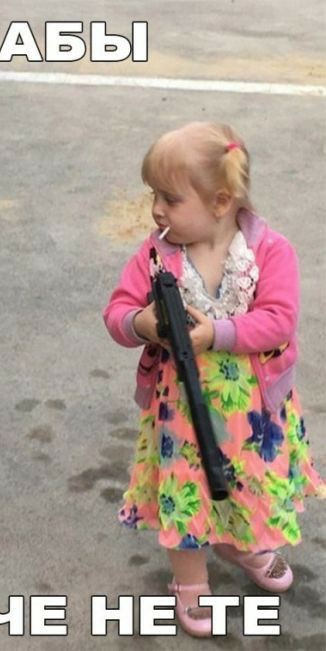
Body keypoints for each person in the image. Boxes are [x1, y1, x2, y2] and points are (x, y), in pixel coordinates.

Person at [103, 121, 324, 637]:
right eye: (154, 196)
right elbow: (117, 312)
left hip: (253, 411)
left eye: (170, 199)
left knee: (250, 482)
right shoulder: (155, 255)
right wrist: (143, 324)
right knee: (186, 491)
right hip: (180, 410)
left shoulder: (268, 251)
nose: (157, 210)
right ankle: (190, 581)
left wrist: (219, 333)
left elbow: (279, 320)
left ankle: (243, 545)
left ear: (221, 202)